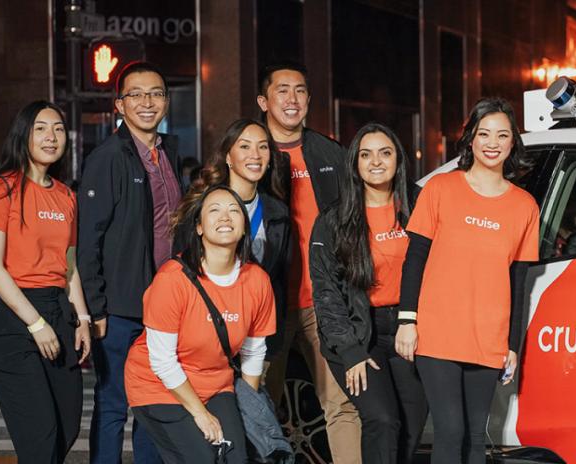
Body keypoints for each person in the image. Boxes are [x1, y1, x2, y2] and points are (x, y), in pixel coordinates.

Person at [395, 98, 539, 464]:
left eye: (502, 135)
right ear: (470, 138)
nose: (492, 143)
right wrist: (407, 320)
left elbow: (519, 282)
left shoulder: (525, 206)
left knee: (476, 436)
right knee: (450, 431)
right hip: (437, 332)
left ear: (513, 142)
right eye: (484, 133)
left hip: (488, 336)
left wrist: (512, 346)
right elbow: (415, 259)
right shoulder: (440, 188)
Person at [256, 62, 361, 463]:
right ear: (263, 101)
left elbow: (353, 223)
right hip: (268, 303)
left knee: (343, 403)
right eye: (282, 90)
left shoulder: (330, 152)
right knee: (259, 406)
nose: (292, 99)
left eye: (300, 90)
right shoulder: (250, 152)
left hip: (323, 303)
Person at [125, 185, 275, 463]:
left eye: (234, 211)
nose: (225, 217)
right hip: (158, 384)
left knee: (237, 458)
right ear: (199, 228)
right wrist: (201, 414)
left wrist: (249, 411)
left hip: (216, 383)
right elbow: (162, 361)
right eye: (214, 210)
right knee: (203, 458)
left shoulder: (258, 280)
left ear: (244, 227)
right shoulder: (172, 279)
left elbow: (253, 353)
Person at [78, 60, 180, 464]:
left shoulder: (168, 152)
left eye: (155, 93)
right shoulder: (107, 157)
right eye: (135, 94)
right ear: (119, 105)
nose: (146, 102)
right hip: (120, 307)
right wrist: (96, 307)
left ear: (166, 101)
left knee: (154, 404)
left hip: (164, 305)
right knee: (113, 403)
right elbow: (89, 239)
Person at [311, 123, 428, 463]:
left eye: (385, 153)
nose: (376, 162)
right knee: (382, 419)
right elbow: (327, 293)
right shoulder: (334, 220)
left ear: (398, 159)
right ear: (355, 163)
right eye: (366, 154)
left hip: (410, 328)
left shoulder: (420, 205)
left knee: (411, 428)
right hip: (361, 332)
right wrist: (350, 351)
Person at [0, 100, 91, 463]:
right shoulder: (1, 188)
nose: (51, 137)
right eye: (41, 129)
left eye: (58, 129)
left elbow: (69, 265)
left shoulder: (66, 196)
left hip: (57, 308)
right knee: (40, 434)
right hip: (10, 314)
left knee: (67, 424)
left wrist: (83, 319)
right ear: (23, 136)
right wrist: (35, 323)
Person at [174, 118, 291, 361]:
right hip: (206, 337)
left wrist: (272, 342)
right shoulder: (202, 207)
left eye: (263, 146)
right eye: (245, 146)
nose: (255, 155)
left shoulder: (278, 213)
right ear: (228, 156)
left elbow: (279, 282)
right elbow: (181, 273)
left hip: (257, 340)